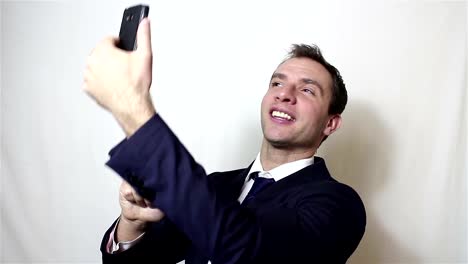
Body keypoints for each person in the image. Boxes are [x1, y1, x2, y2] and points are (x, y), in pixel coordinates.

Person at [83, 18, 366, 264]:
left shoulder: (339, 207)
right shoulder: (215, 187)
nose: (284, 94)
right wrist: (131, 225)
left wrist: (133, 109)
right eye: (277, 83)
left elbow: (243, 251)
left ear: (330, 123)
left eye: (306, 89)